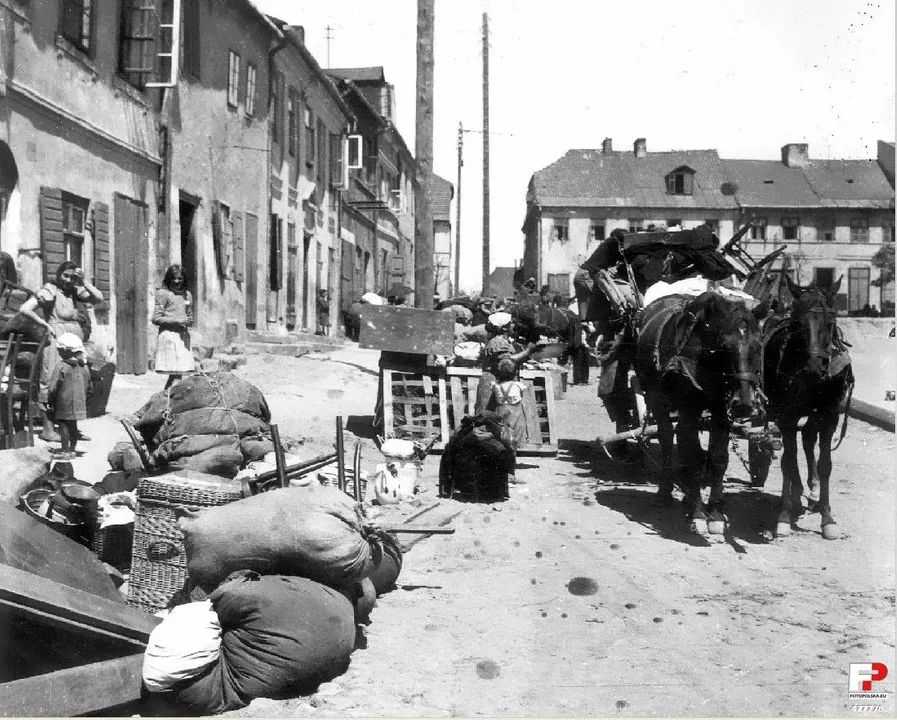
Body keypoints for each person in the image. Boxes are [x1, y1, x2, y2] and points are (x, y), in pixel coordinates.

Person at [16, 260, 103, 441]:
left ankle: (72, 430)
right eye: (66, 275)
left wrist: (84, 281)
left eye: (72, 277)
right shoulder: (51, 290)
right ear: (58, 274)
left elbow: (99, 298)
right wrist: (45, 324)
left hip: (73, 343)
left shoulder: (72, 291)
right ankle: (48, 430)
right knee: (50, 381)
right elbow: (25, 309)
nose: (69, 280)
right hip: (56, 342)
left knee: (73, 381)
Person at [474, 312, 536, 417]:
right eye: (511, 323)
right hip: (493, 383)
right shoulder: (498, 342)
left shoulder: (501, 341)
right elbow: (506, 363)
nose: (514, 325)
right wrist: (527, 352)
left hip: (495, 382)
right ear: (504, 328)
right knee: (488, 417)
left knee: (494, 418)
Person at [46, 333, 92, 459]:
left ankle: (65, 451)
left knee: (63, 425)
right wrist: (84, 398)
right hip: (78, 402)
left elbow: (53, 387)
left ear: (65, 351)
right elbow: (90, 386)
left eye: (60, 350)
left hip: (63, 402)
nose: (59, 353)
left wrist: (50, 400)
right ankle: (72, 450)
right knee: (73, 425)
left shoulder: (61, 366)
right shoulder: (84, 367)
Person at [152, 264, 195, 390]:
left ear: (184, 279)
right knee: (176, 376)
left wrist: (189, 320)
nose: (177, 281)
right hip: (169, 337)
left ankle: (168, 403)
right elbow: (156, 318)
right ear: (169, 279)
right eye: (174, 278)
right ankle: (168, 403)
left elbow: (188, 315)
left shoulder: (187, 295)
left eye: (180, 278)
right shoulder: (163, 294)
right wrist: (177, 321)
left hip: (183, 337)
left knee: (178, 376)